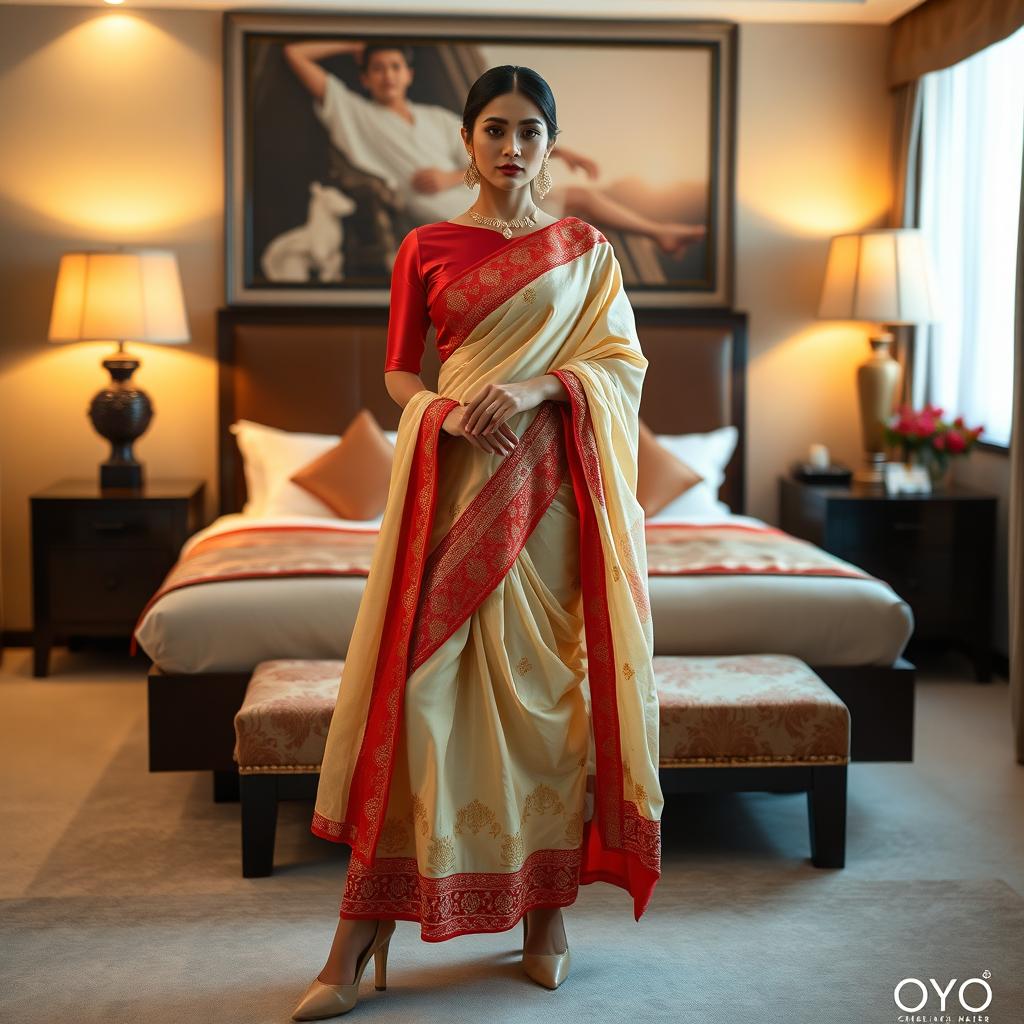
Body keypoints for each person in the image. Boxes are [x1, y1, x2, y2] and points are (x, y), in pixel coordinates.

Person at [291, 64, 664, 1022]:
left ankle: (545, 917)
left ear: (550, 141)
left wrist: (544, 387)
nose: (511, 148)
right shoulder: (426, 245)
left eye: (530, 131)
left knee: (546, 705)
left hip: (547, 499)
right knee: (420, 701)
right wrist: (442, 414)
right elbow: (396, 375)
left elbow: (619, 364)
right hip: (454, 488)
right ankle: (360, 936)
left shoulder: (586, 249)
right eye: (493, 129)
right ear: (465, 139)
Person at [284, 40, 707, 257]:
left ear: (408, 74)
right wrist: (352, 46)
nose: (387, 75)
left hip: (474, 186)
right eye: (377, 68)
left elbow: (497, 146)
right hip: (432, 206)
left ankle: (659, 232)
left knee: (579, 198)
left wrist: (565, 153)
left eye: (395, 66)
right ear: (364, 77)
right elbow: (295, 54)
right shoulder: (354, 113)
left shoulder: (432, 117)